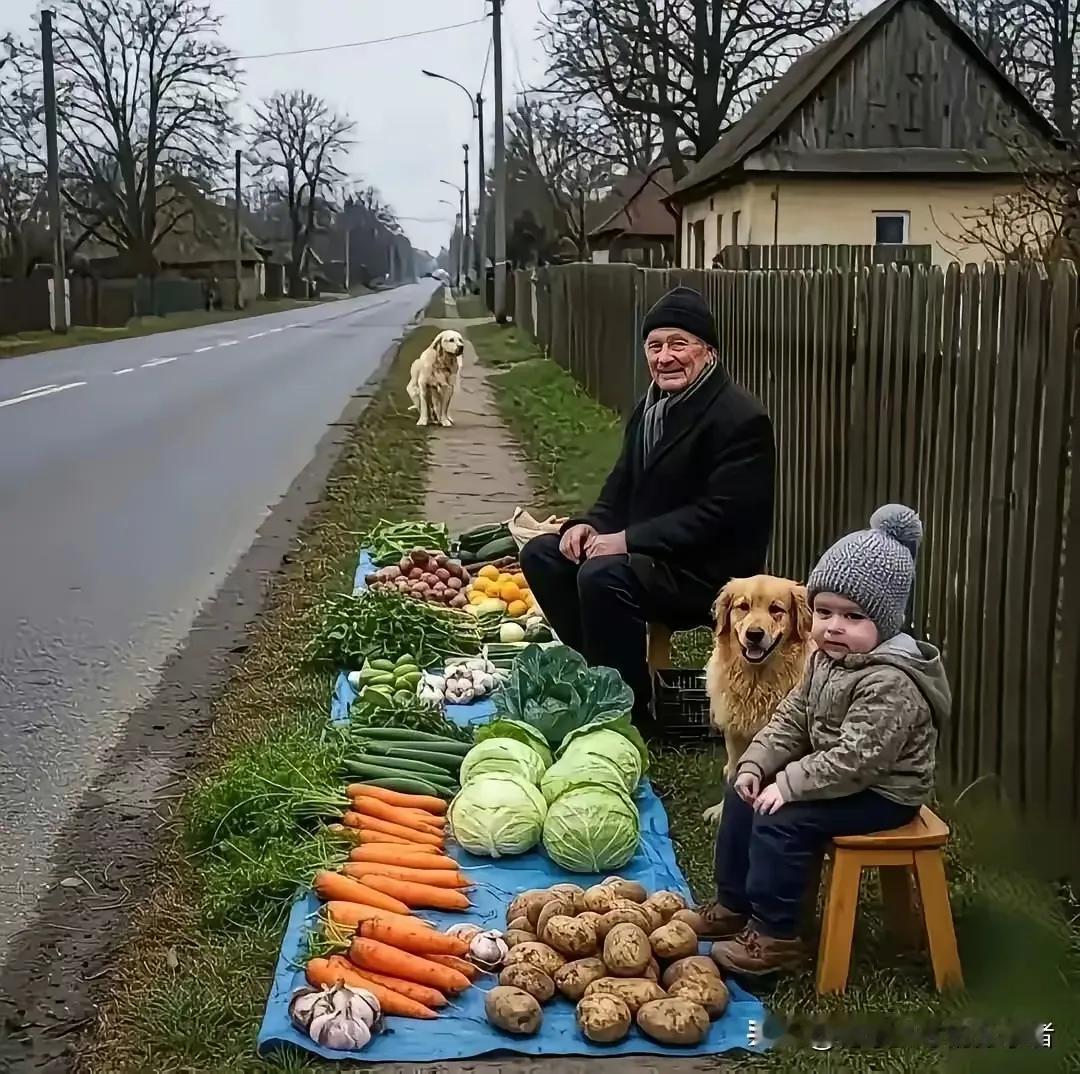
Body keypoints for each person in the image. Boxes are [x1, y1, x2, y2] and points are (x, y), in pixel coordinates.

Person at [703, 505, 952, 976]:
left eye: (853, 616)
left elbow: (856, 760)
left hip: (883, 792)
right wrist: (755, 765)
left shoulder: (890, 682)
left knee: (784, 816)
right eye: (824, 612)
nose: (834, 626)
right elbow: (792, 717)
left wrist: (789, 784)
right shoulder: (827, 660)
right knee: (742, 789)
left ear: (887, 622)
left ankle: (777, 935)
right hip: (843, 775)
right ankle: (732, 903)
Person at [519, 285, 775, 726]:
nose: (665, 357)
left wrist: (626, 540)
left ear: (708, 351)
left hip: (708, 571)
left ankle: (628, 714)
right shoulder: (650, 408)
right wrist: (587, 525)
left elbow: (719, 515)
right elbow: (621, 485)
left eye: (679, 344)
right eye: (654, 346)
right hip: (653, 557)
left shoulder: (740, 418)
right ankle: (603, 677)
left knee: (604, 574)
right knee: (543, 552)